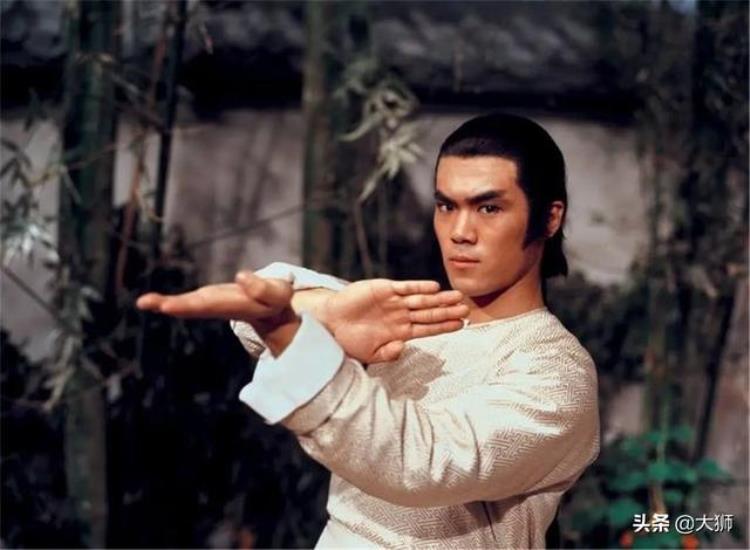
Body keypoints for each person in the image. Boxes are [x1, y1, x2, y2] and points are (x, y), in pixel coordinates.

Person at [137, 113, 600, 548]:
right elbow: (260, 305)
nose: (460, 231)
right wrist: (321, 316)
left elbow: (423, 461)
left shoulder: (556, 370)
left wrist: (290, 332)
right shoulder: (416, 317)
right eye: (446, 206)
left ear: (549, 217)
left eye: (489, 208)